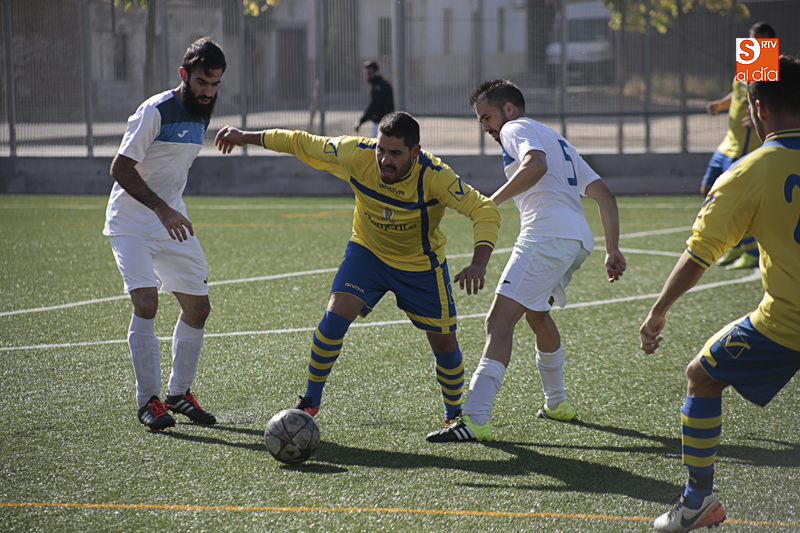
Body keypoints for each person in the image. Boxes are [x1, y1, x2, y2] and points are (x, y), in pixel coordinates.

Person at [214, 111, 501, 430]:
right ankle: (310, 400)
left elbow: (483, 208)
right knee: (333, 319)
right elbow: (300, 142)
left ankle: (454, 414)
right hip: (368, 253)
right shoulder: (355, 153)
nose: (384, 160)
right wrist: (245, 137)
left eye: (395, 153)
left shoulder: (435, 175)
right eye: (381, 149)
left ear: (415, 152)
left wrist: (479, 262)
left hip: (419, 266)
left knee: (445, 344)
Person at [640, 55, 800, 533]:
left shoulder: (750, 171)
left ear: (758, 110)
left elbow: (697, 257)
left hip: (786, 324)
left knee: (702, 376)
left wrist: (657, 313)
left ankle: (697, 501)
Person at [427, 80, 626, 443]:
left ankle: (474, 420)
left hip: (546, 237)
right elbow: (605, 195)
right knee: (536, 314)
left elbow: (535, 164)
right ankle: (557, 404)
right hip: (576, 240)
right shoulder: (556, 137)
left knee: (497, 323)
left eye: (486, 117)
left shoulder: (515, 128)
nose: (485, 127)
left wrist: (491, 201)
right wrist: (613, 249)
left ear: (508, 109)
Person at [104, 37, 226, 432]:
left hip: (173, 219)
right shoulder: (154, 111)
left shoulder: (202, 112)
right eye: (201, 82)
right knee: (147, 303)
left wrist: (170, 210)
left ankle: (178, 394)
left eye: (214, 84)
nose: (208, 92)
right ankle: (148, 401)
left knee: (198, 307)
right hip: (133, 222)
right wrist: (161, 209)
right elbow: (120, 169)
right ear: (183, 75)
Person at [701, 22, 776, 271]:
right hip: (727, 143)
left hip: (746, 146)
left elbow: (777, 102)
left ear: (771, 45)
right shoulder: (748, 65)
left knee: (734, 200)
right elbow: (736, 94)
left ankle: (751, 251)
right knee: (708, 189)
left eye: (761, 41)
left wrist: (761, 117)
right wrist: (719, 106)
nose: (755, 45)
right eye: (752, 39)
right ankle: (734, 247)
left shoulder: (770, 73)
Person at [353, 60, 394, 138]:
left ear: (376, 72)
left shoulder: (379, 87)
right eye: (366, 74)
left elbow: (373, 106)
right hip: (384, 123)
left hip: (381, 123)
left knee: (374, 146)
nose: (367, 76)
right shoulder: (380, 85)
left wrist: (361, 121)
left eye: (369, 73)